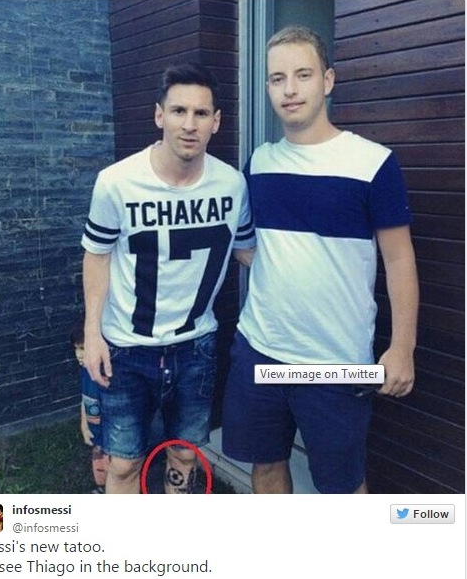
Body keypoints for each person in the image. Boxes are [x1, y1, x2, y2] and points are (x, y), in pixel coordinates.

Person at [222, 26, 419, 494]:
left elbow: (399, 260)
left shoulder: (372, 162)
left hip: (335, 360)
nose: (289, 89)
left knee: (343, 488)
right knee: (266, 466)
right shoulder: (259, 164)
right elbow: (247, 243)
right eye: (277, 79)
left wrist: (402, 347)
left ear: (327, 80)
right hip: (260, 346)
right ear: (267, 87)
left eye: (303, 75)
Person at [81, 62, 255, 494]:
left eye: (201, 113)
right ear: (159, 115)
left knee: (185, 454)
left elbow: (249, 254)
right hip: (127, 347)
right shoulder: (117, 182)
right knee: (124, 463)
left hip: (196, 346)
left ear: (216, 121)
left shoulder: (232, 186)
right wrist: (92, 334)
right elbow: (97, 256)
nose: (189, 124)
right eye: (179, 111)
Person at [70, 317, 109, 493]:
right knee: (98, 460)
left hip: (110, 431)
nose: (78, 354)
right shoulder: (85, 371)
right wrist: (84, 424)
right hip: (95, 428)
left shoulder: (105, 375)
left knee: (115, 464)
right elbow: (84, 398)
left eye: (83, 348)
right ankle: (102, 487)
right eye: (76, 349)